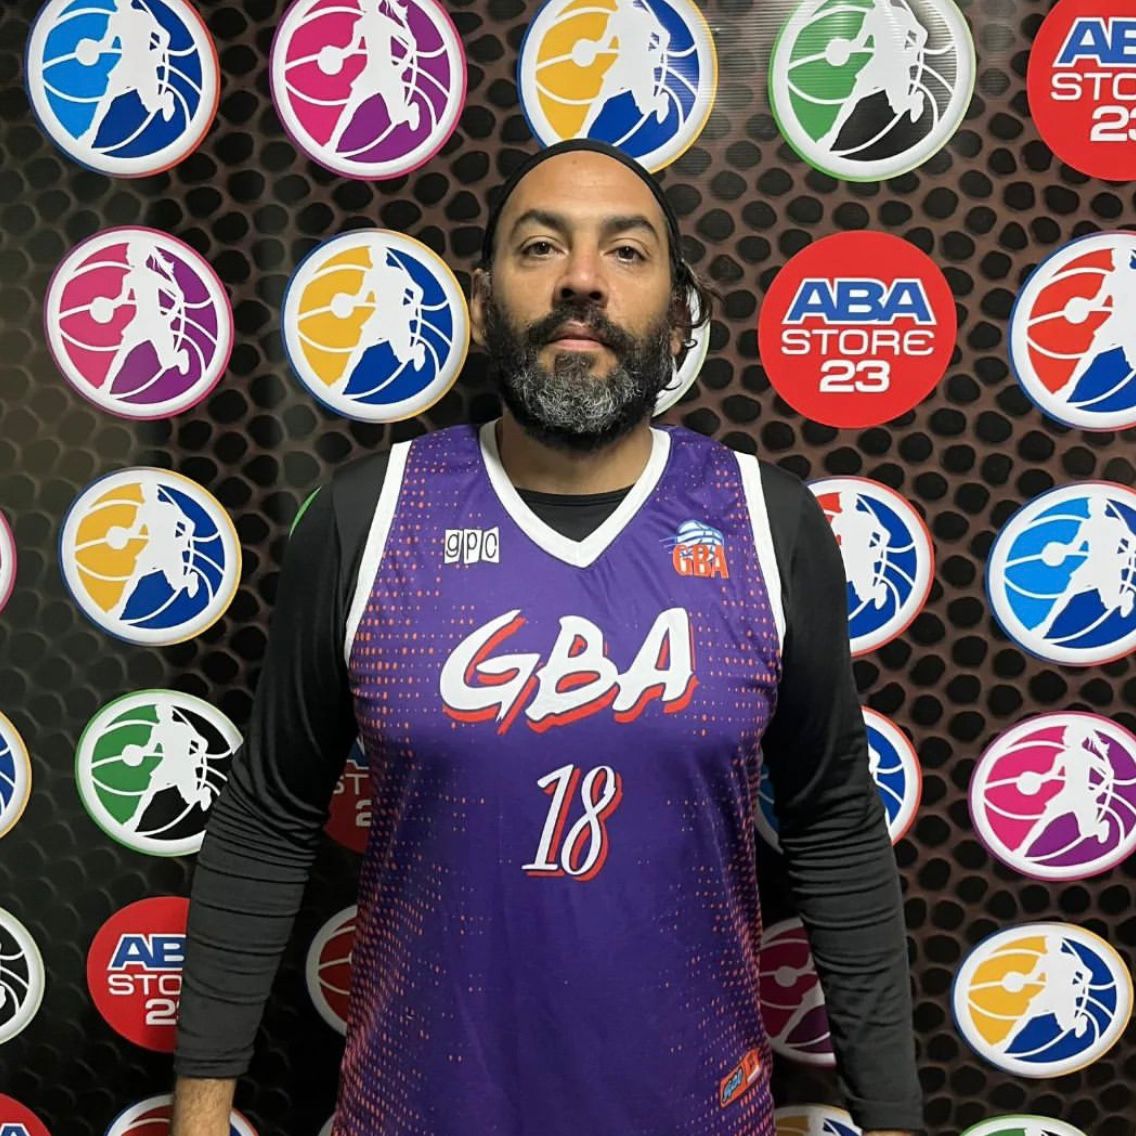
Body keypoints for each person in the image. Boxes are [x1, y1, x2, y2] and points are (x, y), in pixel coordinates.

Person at [170, 139, 922, 1136]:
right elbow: (268, 815)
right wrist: (197, 1115)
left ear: (678, 314)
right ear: (482, 305)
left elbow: (831, 823)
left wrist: (892, 1116)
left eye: (626, 251)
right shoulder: (370, 515)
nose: (581, 279)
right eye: (539, 247)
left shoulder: (765, 522)